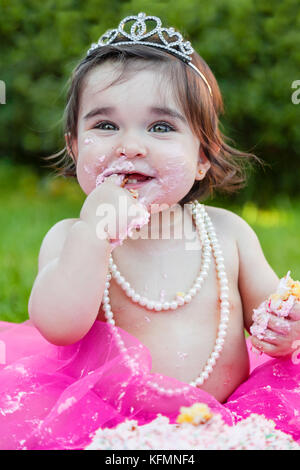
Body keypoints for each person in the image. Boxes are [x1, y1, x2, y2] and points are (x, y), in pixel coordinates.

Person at [0, 13, 300, 450]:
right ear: (75, 146)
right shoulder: (71, 238)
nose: (130, 145)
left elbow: (272, 317)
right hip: (108, 426)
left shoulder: (228, 233)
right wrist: (93, 232)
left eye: (161, 127)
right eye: (105, 126)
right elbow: (59, 326)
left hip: (233, 416)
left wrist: (286, 332)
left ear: (202, 156)